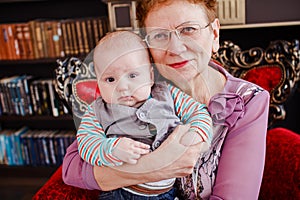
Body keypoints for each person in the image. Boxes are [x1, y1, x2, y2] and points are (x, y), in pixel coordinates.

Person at [62, 0, 270, 199]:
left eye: (188, 29)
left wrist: (118, 175)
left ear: (214, 34)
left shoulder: (250, 101)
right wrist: (154, 166)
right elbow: (72, 168)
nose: (176, 49)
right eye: (160, 35)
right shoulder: (135, 86)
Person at [77, 30, 212, 199]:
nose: (123, 87)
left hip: (167, 192)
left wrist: (196, 134)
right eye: (110, 79)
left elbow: (198, 112)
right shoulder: (97, 111)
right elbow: (86, 143)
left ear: (149, 75)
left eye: (133, 75)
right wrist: (112, 149)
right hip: (121, 193)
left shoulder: (168, 94)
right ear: (98, 82)